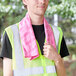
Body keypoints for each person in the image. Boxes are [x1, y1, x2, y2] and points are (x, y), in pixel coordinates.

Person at [0, 0, 69, 76]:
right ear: (25, 1)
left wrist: (57, 59)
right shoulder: (11, 33)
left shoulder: (57, 32)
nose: (42, 1)